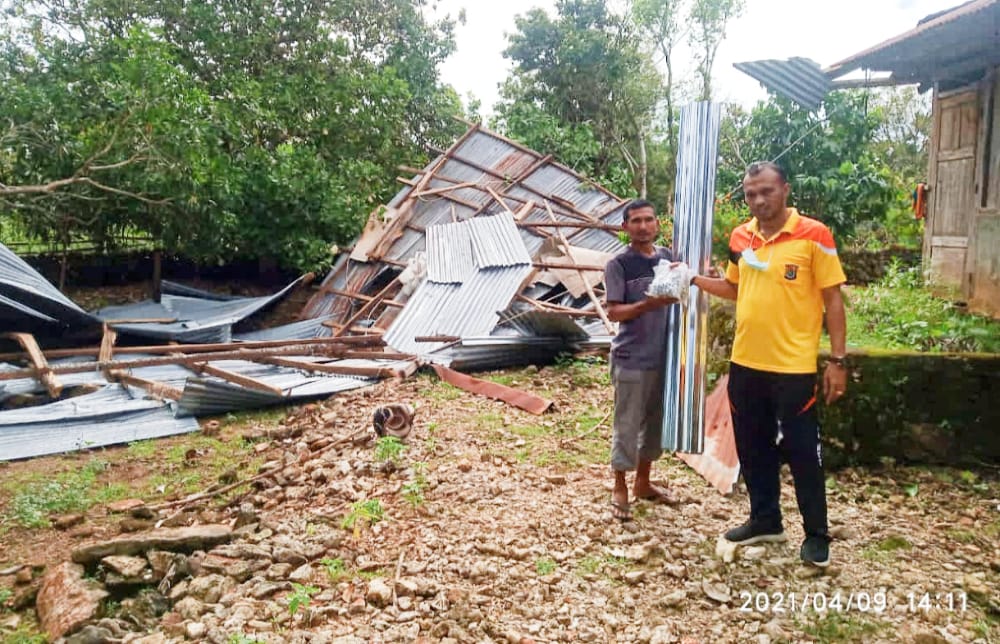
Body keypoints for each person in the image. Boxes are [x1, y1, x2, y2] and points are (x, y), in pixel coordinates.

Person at [691, 162, 848, 567]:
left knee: (802, 451)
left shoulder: (815, 235)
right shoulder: (741, 237)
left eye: (766, 192)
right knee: (753, 444)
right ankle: (765, 520)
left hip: (793, 365)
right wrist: (691, 280)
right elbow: (733, 287)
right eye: (750, 194)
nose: (759, 200)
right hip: (746, 361)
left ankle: (816, 534)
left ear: (785, 190)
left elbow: (833, 299)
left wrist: (837, 360)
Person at [604, 199, 678, 522]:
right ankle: (619, 485)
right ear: (625, 227)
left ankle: (643, 482)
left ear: (657, 224)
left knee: (654, 424)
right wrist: (647, 305)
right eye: (636, 221)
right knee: (627, 423)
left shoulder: (668, 258)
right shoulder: (619, 264)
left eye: (649, 219)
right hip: (631, 356)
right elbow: (614, 311)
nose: (643, 226)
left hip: (665, 355)